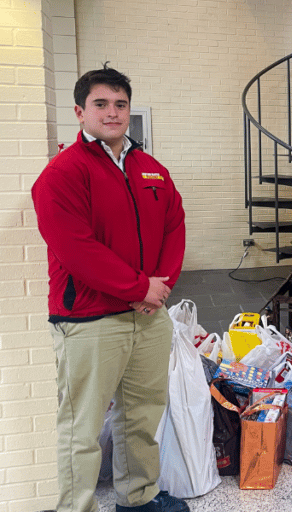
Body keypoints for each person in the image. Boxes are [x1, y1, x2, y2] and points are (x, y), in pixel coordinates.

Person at [32, 64, 188, 512]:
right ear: (80, 112)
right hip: (89, 320)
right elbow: (74, 248)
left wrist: (160, 286)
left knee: (141, 416)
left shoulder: (150, 169)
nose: (113, 112)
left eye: (121, 104)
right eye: (101, 104)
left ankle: (138, 498)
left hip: (147, 317)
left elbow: (174, 225)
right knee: (82, 429)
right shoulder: (63, 173)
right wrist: (138, 287)